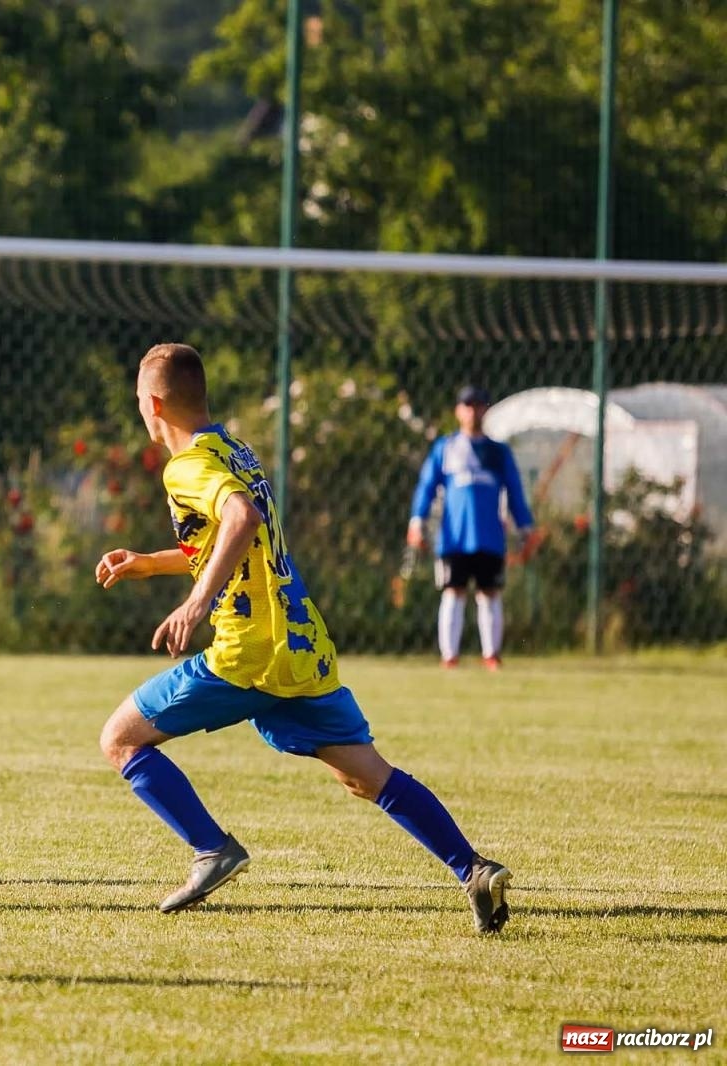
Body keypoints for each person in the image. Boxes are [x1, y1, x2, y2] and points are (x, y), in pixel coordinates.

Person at [94, 343, 511, 934]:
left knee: (120, 739)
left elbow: (241, 520)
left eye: (139, 400)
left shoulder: (185, 467)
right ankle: (473, 869)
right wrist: (150, 562)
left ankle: (212, 849)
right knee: (366, 774)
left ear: (154, 402)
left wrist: (198, 601)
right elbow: (230, 543)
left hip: (247, 652)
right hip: (299, 641)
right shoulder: (233, 449)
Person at [407, 385, 537, 670]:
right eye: (467, 405)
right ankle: (449, 656)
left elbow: (515, 492)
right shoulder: (446, 447)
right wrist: (417, 521)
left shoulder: (497, 452)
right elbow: (427, 487)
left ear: (485, 410)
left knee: (489, 593)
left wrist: (526, 529)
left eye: (478, 405)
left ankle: (491, 655)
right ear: (458, 411)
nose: (473, 411)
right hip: (454, 538)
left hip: (489, 536)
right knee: (453, 591)